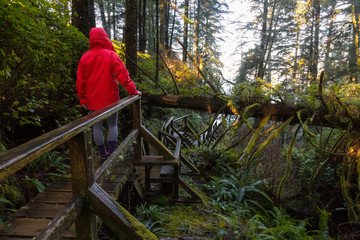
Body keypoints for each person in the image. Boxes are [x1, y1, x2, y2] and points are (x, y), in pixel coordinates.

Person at [76, 27, 141, 160]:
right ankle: (111, 154)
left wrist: (82, 99)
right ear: (104, 38)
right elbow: (124, 77)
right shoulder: (111, 55)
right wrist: (133, 91)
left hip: (93, 101)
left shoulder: (85, 57)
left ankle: (102, 154)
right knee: (112, 125)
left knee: (96, 127)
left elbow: (80, 81)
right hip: (110, 99)